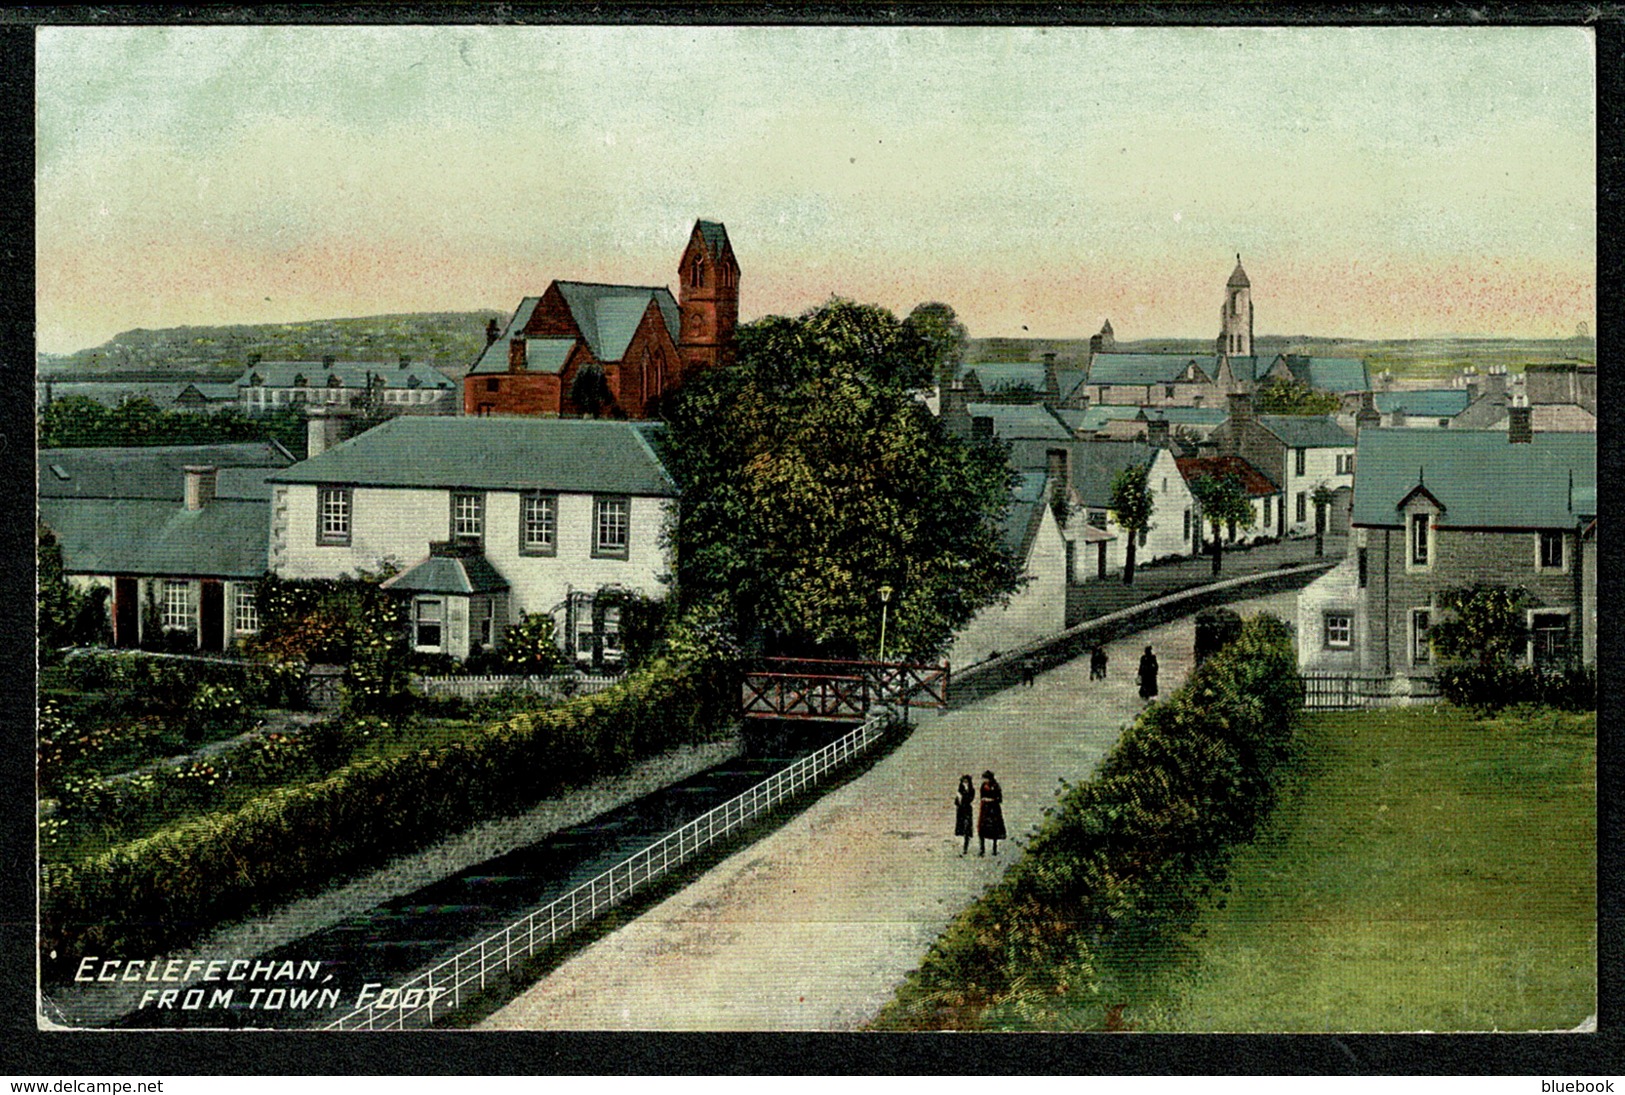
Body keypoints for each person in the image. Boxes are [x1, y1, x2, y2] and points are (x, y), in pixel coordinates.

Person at [977, 770, 1006, 856]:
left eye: (986, 778)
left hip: (994, 810)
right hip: (985, 809)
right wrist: (984, 800)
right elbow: (981, 796)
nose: (985, 780)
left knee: (994, 829)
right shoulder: (983, 786)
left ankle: (994, 849)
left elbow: (999, 798)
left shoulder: (996, 786)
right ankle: (982, 849)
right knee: (982, 828)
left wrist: (991, 800)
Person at [953, 774, 975, 856]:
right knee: (961, 829)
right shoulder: (960, 790)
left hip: (967, 810)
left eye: (966, 781)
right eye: (963, 781)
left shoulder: (971, 790)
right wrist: (959, 800)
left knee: (967, 828)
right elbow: (956, 802)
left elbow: (970, 799)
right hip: (960, 810)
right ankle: (962, 848)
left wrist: (962, 798)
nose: (965, 783)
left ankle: (966, 848)